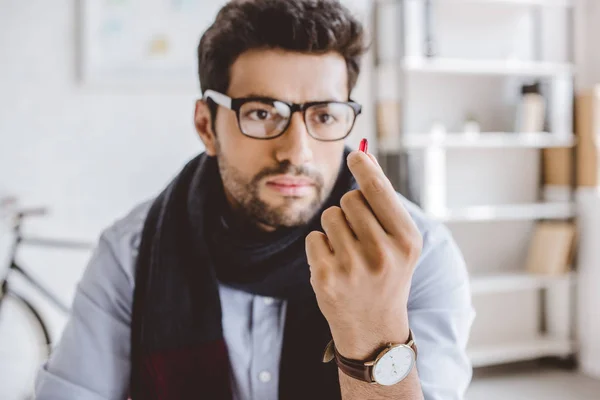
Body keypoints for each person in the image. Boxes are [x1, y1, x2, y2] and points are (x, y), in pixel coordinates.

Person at [35, 0, 474, 399]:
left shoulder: (414, 254)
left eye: (324, 115)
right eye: (262, 114)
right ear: (207, 125)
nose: (296, 151)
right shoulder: (131, 254)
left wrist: (375, 332)